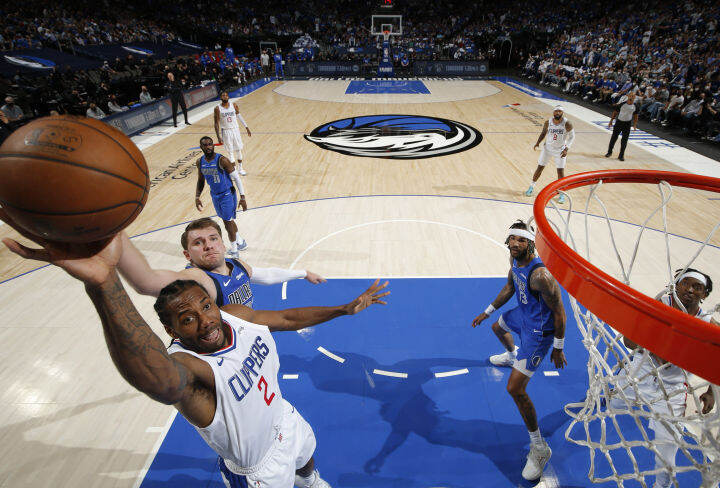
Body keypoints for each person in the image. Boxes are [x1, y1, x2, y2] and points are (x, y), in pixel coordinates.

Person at [0, 211, 390, 488]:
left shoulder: (233, 303)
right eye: (188, 319)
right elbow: (159, 369)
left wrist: (343, 307)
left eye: (206, 307)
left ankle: (310, 481)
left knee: (307, 455)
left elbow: (285, 318)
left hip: (282, 418)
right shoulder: (188, 360)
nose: (205, 320)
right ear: (171, 329)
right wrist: (106, 273)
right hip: (258, 468)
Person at [471, 220, 567, 481]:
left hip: (539, 333)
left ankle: (538, 448)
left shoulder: (541, 276)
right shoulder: (515, 261)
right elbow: (510, 288)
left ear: (531, 243)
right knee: (497, 328)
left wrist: (558, 347)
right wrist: (487, 311)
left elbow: (559, 311)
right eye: (512, 239)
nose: (514, 243)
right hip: (523, 316)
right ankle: (512, 355)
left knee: (514, 389)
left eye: (520, 240)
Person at [612, 268, 717, 488]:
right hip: (639, 372)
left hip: (673, 388)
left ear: (704, 295)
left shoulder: (709, 324)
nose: (689, 289)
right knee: (613, 402)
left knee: (667, 454)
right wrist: (655, 335)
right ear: (676, 285)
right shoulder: (659, 304)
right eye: (685, 283)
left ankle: (661, 486)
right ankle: (615, 382)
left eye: (696, 287)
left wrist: (710, 392)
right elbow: (629, 343)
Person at [115, 217, 325, 307]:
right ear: (187, 256)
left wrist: (303, 273)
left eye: (213, 239)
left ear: (223, 245)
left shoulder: (236, 265)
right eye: (198, 243)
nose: (208, 245)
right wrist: (113, 231)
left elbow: (266, 275)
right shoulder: (198, 278)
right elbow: (147, 282)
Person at [195, 136, 248, 256]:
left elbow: (236, 178)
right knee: (227, 220)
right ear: (201, 147)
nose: (208, 147)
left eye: (210, 144)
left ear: (213, 145)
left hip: (227, 194)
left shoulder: (222, 160)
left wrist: (243, 197)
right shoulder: (200, 162)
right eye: (205, 145)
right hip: (215, 195)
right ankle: (240, 242)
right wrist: (197, 197)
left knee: (227, 223)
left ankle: (234, 250)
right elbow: (200, 181)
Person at [525, 106, 575, 203]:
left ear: (562, 113)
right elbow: (543, 132)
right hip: (547, 148)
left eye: (559, 111)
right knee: (540, 167)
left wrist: (566, 149)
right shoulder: (548, 122)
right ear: (553, 112)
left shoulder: (567, 123)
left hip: (560, 150)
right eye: (556, 111)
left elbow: (572, 137)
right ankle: (531, 187)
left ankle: (561, 194)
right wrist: (537, 142)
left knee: (560, 172)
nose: (557, 113)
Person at [214, 91, 252, 176]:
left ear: (228, 97)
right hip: (226, 131)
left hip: (235, 130)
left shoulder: (234, 105)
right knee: (230, 151)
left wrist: (246, 127)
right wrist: (218, 136)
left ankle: (241, 168)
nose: (225, 96)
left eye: (226, 95)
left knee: (238, 149)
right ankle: (234, 171)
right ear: (221, 97)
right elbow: (216, 123)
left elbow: (239, 116)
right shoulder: (217, 108)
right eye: (223, 95)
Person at [605, 91, 638, 162]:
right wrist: (611, 121)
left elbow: (635, 116)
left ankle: (621, 155)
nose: (631, 97)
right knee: (614, 138)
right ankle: (609, 152)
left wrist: (635, 125)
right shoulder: (622, 104)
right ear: (628, 96)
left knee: (624, 140)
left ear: (635, 97)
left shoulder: (635, 106)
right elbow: (615, 112)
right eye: (630, 96)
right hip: (619, 122)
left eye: (633, 96)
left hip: (627, 124)